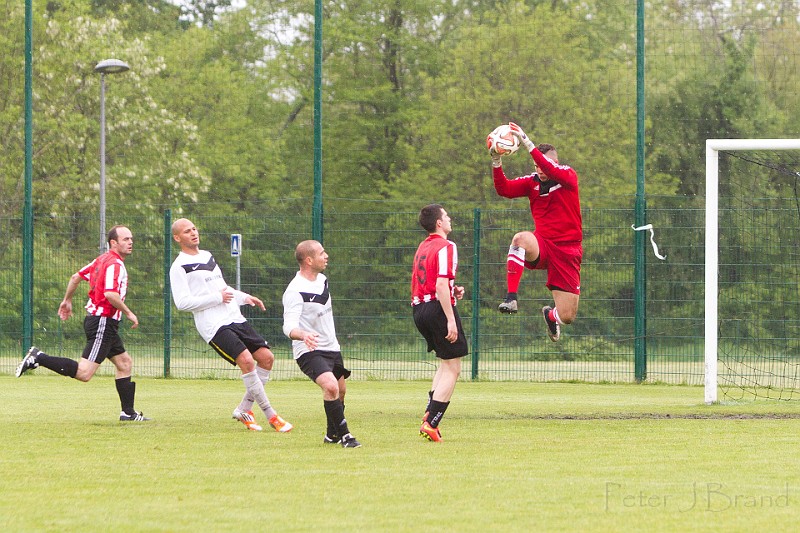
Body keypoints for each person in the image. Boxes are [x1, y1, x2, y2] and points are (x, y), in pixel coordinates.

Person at [15, 225, 150, 421]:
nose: (130, 242)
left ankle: (128, 413)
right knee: (84, 373)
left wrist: (67, 300)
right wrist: (128, 312)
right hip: (103, 322)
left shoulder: (100, 260)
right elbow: (110, 294)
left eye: (131, 239)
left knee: (124, 363)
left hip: (102, 323)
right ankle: (39, 357)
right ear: (114, 243)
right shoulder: (115, 264)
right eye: (125, 239)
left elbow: (75, 277)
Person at [169, 218, 292, 433]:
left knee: (266, 358)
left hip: (234, 317)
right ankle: (271, 415)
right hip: (213, 325)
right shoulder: (178, 266)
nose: (193, 233)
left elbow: (223, 289)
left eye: (194, 229)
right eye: (187, 231)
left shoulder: (207, 256)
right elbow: (182, 303)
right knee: (246, 360)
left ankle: (244, 409)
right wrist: (217, 298)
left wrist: (244, 297)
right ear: (177, 238)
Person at [490, 122, 583, 342]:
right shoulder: (531, 182)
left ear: (555, 162)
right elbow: (503, 189)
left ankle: (551, 316)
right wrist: (496, 161)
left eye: (543, 165)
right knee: (520, 239)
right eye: (536, 165)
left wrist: (525, 139)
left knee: (568, 316)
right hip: (542, 244)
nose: (539, 170)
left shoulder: (568, 175)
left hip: (568, 250)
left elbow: (550, 169)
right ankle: (511, 298)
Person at [282, 240, 361, 448]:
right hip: (309, 350)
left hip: (331, 347)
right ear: (309, 260)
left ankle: (331, 435)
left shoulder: (322, 280)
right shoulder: (294, 291)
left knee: (340, 391)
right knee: (330, 386)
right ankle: (346, 437)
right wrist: (303, 335)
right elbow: (288, 327)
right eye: (321, 253)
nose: (326, 256)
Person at [411, 204, 467, 442]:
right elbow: (440, 285)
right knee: (454, 368)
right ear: (439, 224)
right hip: (436, 309)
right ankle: (432, 422)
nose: (450, 218)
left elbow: (431, 280)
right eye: (446, 216)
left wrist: (453, 291)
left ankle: (429, 412)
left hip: (419, 308)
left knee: (445, 364)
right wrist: (451, 319)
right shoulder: (447, 246)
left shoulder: (423, 246)